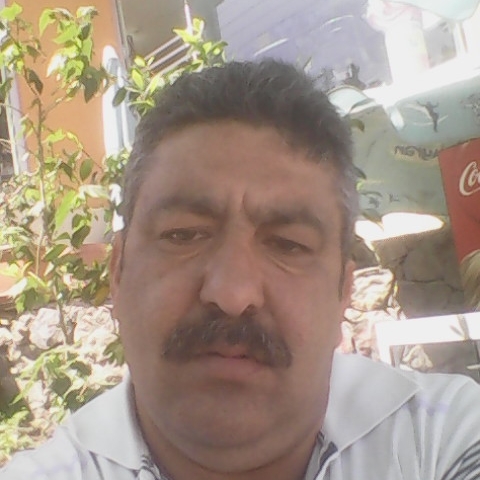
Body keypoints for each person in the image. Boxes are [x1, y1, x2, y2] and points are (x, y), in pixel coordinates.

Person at [2, 59, 480, 480]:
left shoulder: (444, 440)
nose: (232, 293)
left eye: (288, 244)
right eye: (183, 234)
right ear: (118, 273)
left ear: (343, 293)